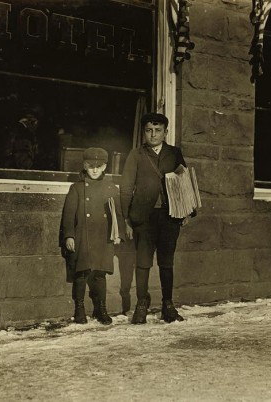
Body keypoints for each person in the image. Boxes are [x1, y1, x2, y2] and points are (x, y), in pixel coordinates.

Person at [120, 112, 194, 324]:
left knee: (166, 262)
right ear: (144, 132)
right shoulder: (136, 155)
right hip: (143, 218)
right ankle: (141, 303)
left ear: (165, 132)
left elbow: (184, 181)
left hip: (170, 216)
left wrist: (187, 210)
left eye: (158, 130)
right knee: (143, 263)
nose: (153, 135)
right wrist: (126, 218)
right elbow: (125, 188)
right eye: (149, 130)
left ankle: (167, 305)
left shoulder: (174, 153)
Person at [60, 147, 125, 325]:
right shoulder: (77, 188)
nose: (95, 170)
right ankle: (79, 309)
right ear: (84, 166)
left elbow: (117, 214)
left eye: (99, 166)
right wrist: (69, 236)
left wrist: (119, 233)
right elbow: (68, 215)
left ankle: (101, 309)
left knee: (100, 274)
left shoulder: (111, 188)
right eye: (90, 166)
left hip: (103, 237)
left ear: (105, 167)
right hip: (83, 236)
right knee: (81, 274)